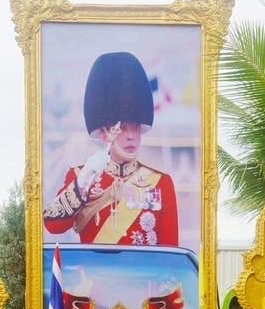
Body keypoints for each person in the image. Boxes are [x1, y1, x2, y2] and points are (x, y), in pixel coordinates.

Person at [45, 50, 178, 246]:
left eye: (135, 128)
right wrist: (80, 185)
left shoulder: (160, 183)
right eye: (122, 128)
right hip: (92, 268)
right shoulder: (81, 177)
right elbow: (52, 225)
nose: (131, 136)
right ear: (104, 133)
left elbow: (170, 252)